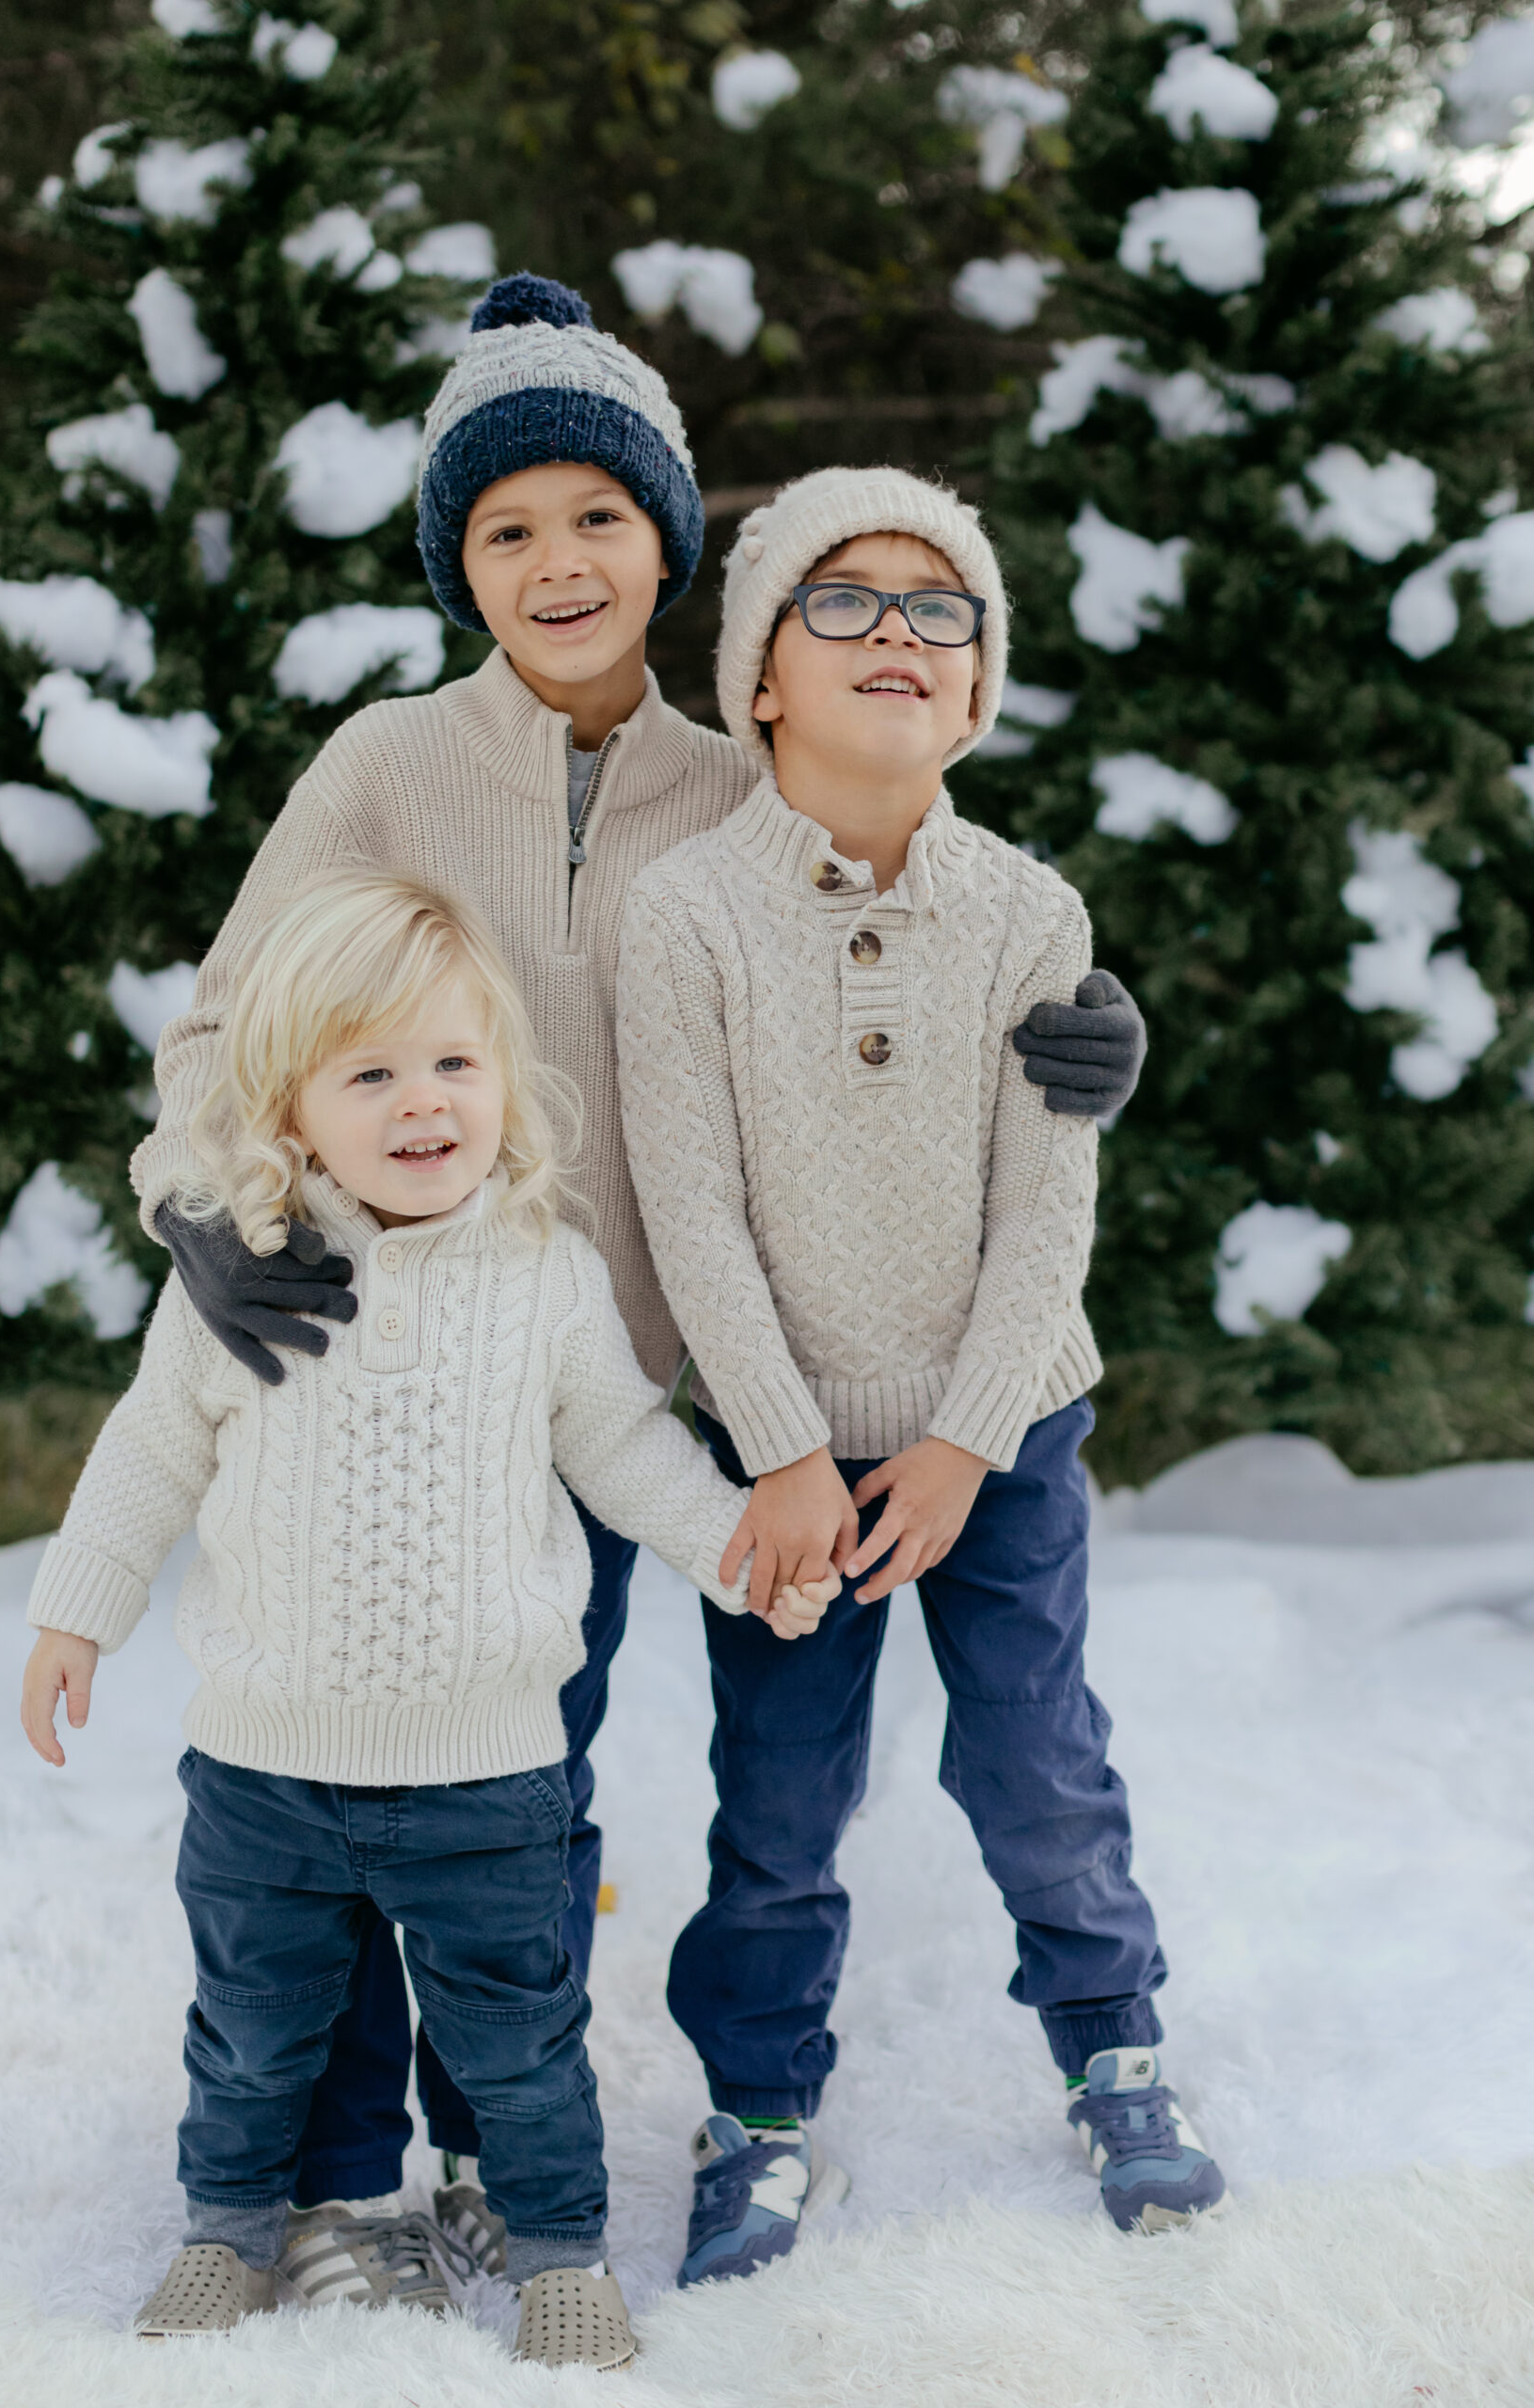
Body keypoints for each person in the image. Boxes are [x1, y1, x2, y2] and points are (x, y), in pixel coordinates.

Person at [128, 271, 1149, 2304]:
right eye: (503, 528)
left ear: (668, 547)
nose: (556, 560)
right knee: (384, 1770)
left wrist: (1092, 1027)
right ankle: (348, 2164)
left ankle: (506, 2132)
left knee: (531, 1780)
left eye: (596, 514)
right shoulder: (385, 770)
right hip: (404, 1377)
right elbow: (218, 1034)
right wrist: (207, 1210)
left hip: (641, 1390)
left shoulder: (736, 778)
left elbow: (910, 895)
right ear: (458, 567)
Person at [19, 871, 831, 2363]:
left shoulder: (544, 1275)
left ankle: (558, 2252)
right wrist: (76, 1613)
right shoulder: (243, 1284)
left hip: (488, 1775)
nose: (422, 1104)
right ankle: (233, 2228)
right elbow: (147, 1452)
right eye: (372, 1072)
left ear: (505, 1083)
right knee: (258, 2030)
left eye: (455, 1064)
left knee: (519, 2042)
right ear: (290, 1108)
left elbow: (626, 1448)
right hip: (266, 1770)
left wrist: (737, 1548)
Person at [615, 467, 1229, 2288]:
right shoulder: (685, 913)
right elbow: (688, 1206)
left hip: (1004, 1431)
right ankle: (756, 2104)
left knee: (1032, 1754)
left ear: (972, 691)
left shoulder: (1028, 911)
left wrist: (967, 1440)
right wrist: (787, 1450)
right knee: (781, 1788)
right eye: (844, 601)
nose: (896, 630)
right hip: (776, 1444)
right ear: (758, 680)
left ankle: (1112, 2036)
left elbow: (1053, 1211)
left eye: (936, 607)